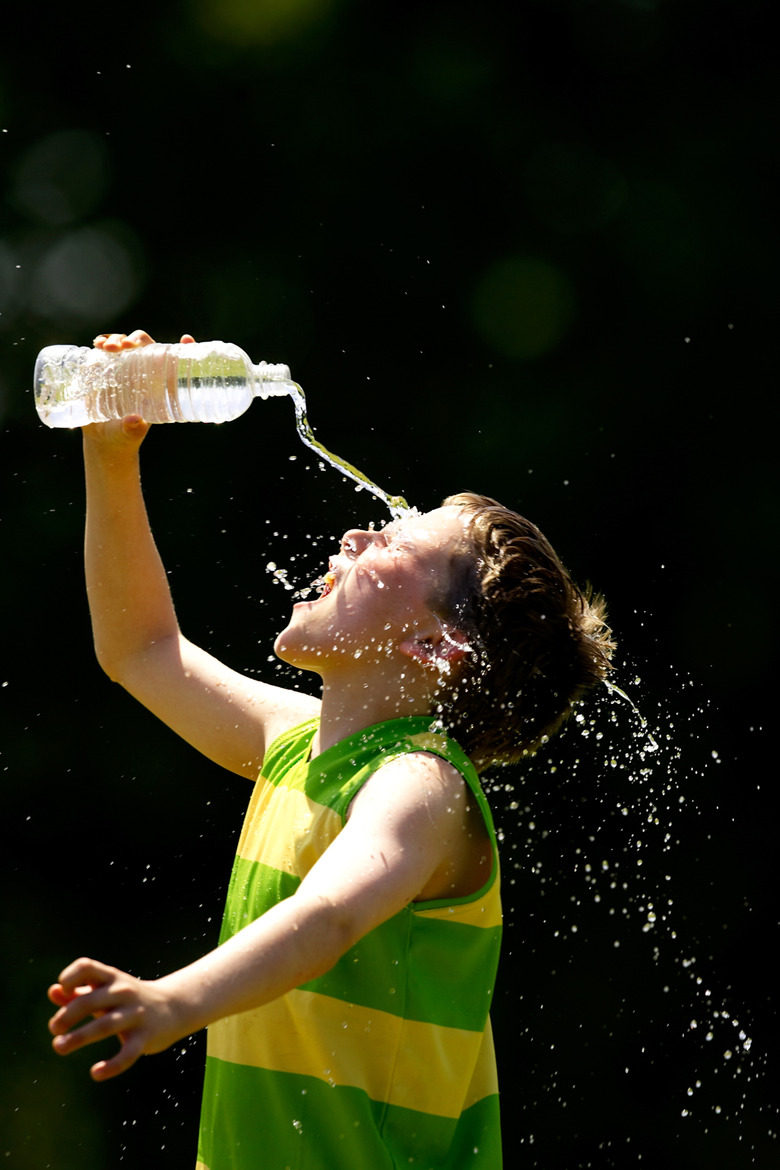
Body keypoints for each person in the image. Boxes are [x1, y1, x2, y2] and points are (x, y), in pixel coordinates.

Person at [47, 330, 614, 1169]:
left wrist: (174, 1000)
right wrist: (110, 451)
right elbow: (140, 651)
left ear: (433, 647)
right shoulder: (298, 743)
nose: (353, 537)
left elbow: (329, 913)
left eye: (391, 542)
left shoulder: (420, 788)